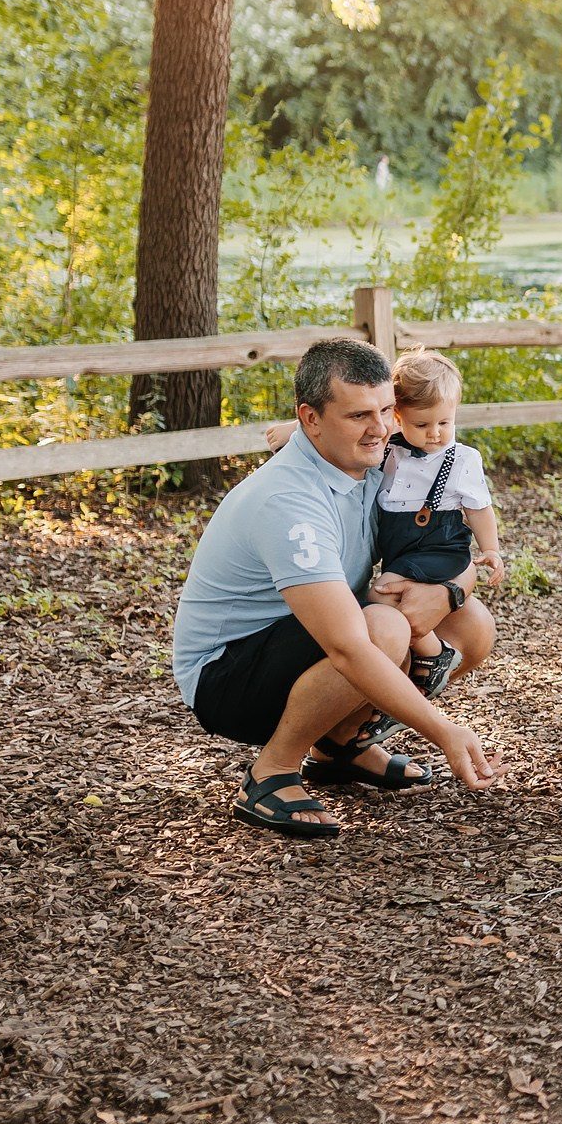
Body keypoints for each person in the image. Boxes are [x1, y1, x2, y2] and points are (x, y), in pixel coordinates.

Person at [172, 338, 500, 838]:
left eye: (388, 410)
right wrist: (442, 731)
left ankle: (340, 747)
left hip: (299, 639)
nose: (381, 428)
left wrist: (452, 590)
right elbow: (346, 645)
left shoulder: (372, 463)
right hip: (226, 675)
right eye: (358, 415)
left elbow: (454, 545)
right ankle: (271, 772)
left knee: (470, 624)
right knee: (383, 629)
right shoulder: (288, 500)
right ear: (311, 418)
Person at [369, 350, 504, 700]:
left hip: (440, 547)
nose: (435, 434)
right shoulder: (387, 449)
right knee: (392, 596)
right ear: (398, 417)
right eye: (422, 425)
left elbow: (479, 508)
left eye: (444, 423)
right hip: (402, 549)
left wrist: (490, 548)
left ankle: (433, 653)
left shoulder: (461, 459)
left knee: (380, 595)